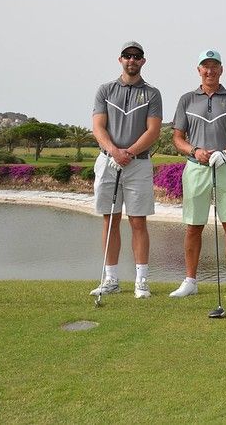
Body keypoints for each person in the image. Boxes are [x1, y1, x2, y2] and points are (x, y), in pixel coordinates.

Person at [170, 49, 226, 298]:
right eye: (205, 66)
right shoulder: (186, 99)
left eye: (214, 65)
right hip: (196, 168)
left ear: (221, 69)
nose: (210, 70)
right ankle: (190, 281)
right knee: (193, 226)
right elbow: (177, 138)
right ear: (198, 70)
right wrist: (195, 151)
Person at [90, 41, 162, 298]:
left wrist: (128, 153)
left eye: (137, 56)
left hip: (138, 163)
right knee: (110, 220)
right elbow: (98, 126)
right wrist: (113, 151)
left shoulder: (152, 93)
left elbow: (153, 130)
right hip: (108, 161)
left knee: (138, 221)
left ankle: (141, 281)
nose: (132, 60)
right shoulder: (105, 90)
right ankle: (111, 279)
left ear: (143, 61)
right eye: (127, 56)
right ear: (120, 59)